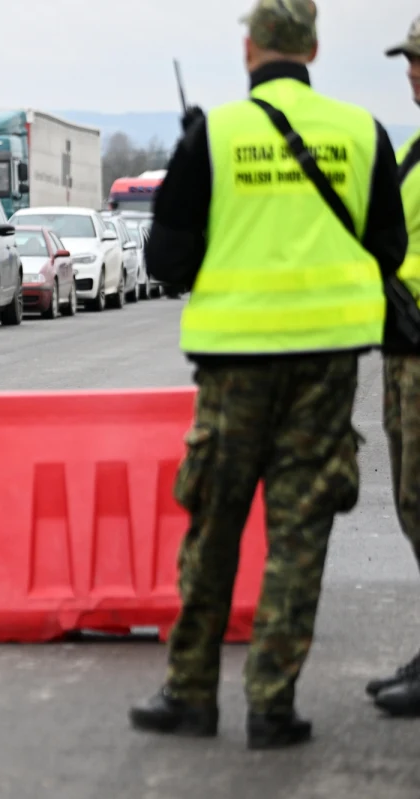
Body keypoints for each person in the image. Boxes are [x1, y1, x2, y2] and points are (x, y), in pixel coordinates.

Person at [128, 0, 407, 750]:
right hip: (328, 365)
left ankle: (190, 693)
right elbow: (387, 249)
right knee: (300, 531)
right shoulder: (362, 133)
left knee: (215, 526)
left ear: (251, 49)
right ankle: (272, 705)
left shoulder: (215, 136)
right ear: (312, 49)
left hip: (235, 366)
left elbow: (168, 263)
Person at [369, 15, 420, 719]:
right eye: (410, 59)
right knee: (413, 507)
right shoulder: (410, 150)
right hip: (404, 353)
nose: (412, 70)